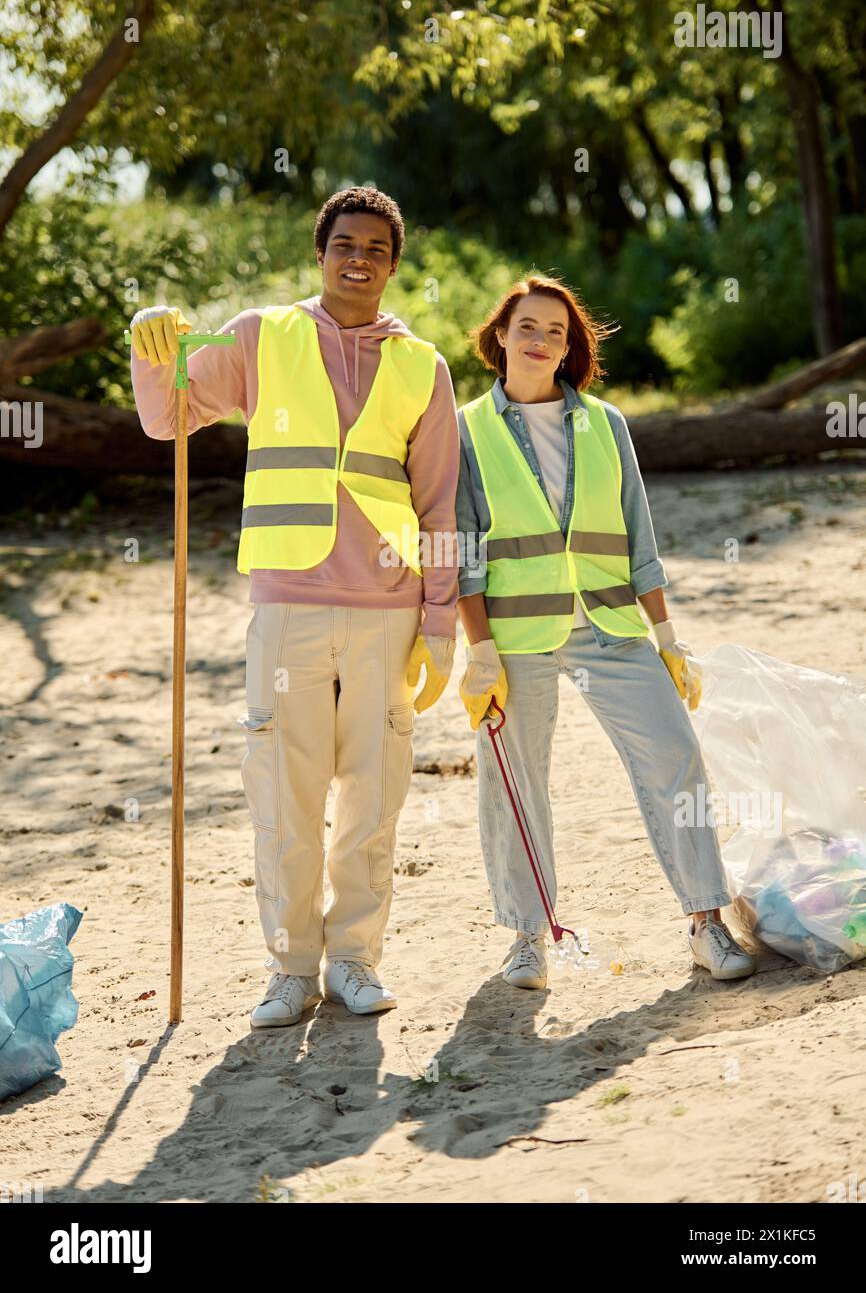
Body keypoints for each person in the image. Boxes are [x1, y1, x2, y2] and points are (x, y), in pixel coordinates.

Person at [129, 187, 459, 1027]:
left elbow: (441, 506)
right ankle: (292, 969)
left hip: (388, 606)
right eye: (344, 243)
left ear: (393, 262)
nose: (359, 258)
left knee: (372, 794)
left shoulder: (424, 364)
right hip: (288, 602)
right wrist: (149, 347)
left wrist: (442, 621)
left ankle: (355, 961)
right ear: (321, 254)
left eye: (376, 248)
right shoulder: (260, 336)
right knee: (283, 788)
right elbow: (168, 418)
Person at [454, 273, 756, 989]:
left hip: (609, 623)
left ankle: (705, 923)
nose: (539, 340)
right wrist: (479, 650)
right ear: (500, 335)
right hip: (516, 634)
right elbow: (461, 545)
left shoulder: (606, 424)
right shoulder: (464, 427)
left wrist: (668, 636)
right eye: (527, 326)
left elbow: (639, 538)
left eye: (555, 331)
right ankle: (528, 937)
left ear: (569, 348)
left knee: (674, 755)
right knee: (514, 779)